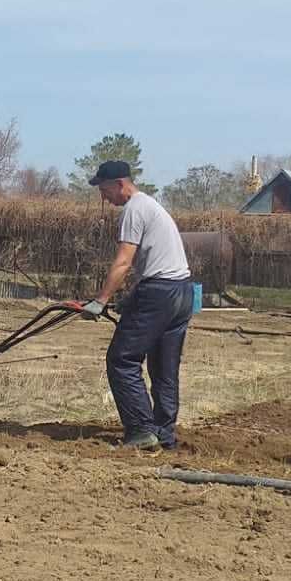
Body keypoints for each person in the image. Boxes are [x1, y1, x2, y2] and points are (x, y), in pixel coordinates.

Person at [78, 159, 192, 450]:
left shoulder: (133, 209)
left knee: (121, 359)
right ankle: (164, 434)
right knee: (165, 367)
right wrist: (132, 298)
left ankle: (141, 430)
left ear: (120, 184)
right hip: (181, 291)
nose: (104, 198)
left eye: (104, 190)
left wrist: (100, 300)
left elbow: (124, 260)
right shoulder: (151, 206)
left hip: (160, 292)